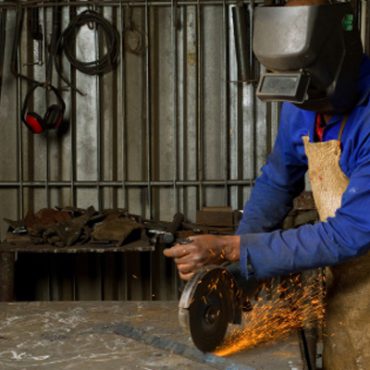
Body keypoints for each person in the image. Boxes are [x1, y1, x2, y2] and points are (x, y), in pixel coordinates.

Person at [163, 0, 370, 369]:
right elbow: (278, 178)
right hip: (348, 287)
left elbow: (351, 231)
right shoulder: (305, 93)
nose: (305, 111)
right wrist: (237, 274)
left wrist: (233, 249)